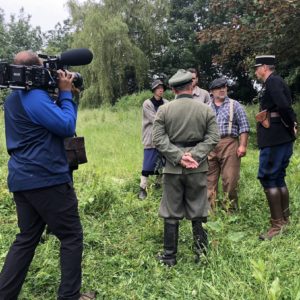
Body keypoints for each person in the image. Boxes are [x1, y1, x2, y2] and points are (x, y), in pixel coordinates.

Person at [0, 51, 95, 300]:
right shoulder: (35, 98)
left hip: (22, 179)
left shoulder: (13, 99)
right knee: (71, 235)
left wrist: (65, 95)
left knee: (26, 238)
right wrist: (65, 94)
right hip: (47, 178)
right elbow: (65, 125)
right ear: (35, 70)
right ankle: (69, 296)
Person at [152, 69, 219, 266]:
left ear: (172, 89)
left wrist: (179, 157)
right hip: (198, 167)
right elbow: (214, 137)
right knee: (199, 209)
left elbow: (158, 139)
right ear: (192, 86)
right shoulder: (206, 109)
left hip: (173, 168)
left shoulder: (163, 110)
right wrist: (195, 155)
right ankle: (201, 256)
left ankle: (169, 257)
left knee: (171, 211)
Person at [254, 55, 297, 240]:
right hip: (280, 136)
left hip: (275, 137)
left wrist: (292, 124)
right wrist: (292, 125)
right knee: (278, 176)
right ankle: (284, 220)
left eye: (257, 68)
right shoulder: (275, 82)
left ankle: (277, 225)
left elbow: (283, 106)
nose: (256, 71)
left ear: (264, 67)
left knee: (269, 176)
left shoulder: (273, 81)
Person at [207, 78, 250, 211]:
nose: (222, 90)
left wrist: (242, 145)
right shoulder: (206, 107)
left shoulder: (234, 105)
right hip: (210, 145)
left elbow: (244, 126)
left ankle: (230, 211)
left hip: (230, 143)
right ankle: (210, 212)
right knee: (209, 181)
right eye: (218, 88)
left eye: (224, 87)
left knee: (230, 180)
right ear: (211, 92)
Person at [138, 79, 168, 200]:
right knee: (147, 165)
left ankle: (158, 186)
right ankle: (142, 188)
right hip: (150, 138)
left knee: (161, 164)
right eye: (158, 88)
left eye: (162, 88)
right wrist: (167, 121)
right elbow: (155, 119)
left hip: (163, 138)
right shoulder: (147, 103)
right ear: (154, 90)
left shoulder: (166, 102)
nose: (160, 90)